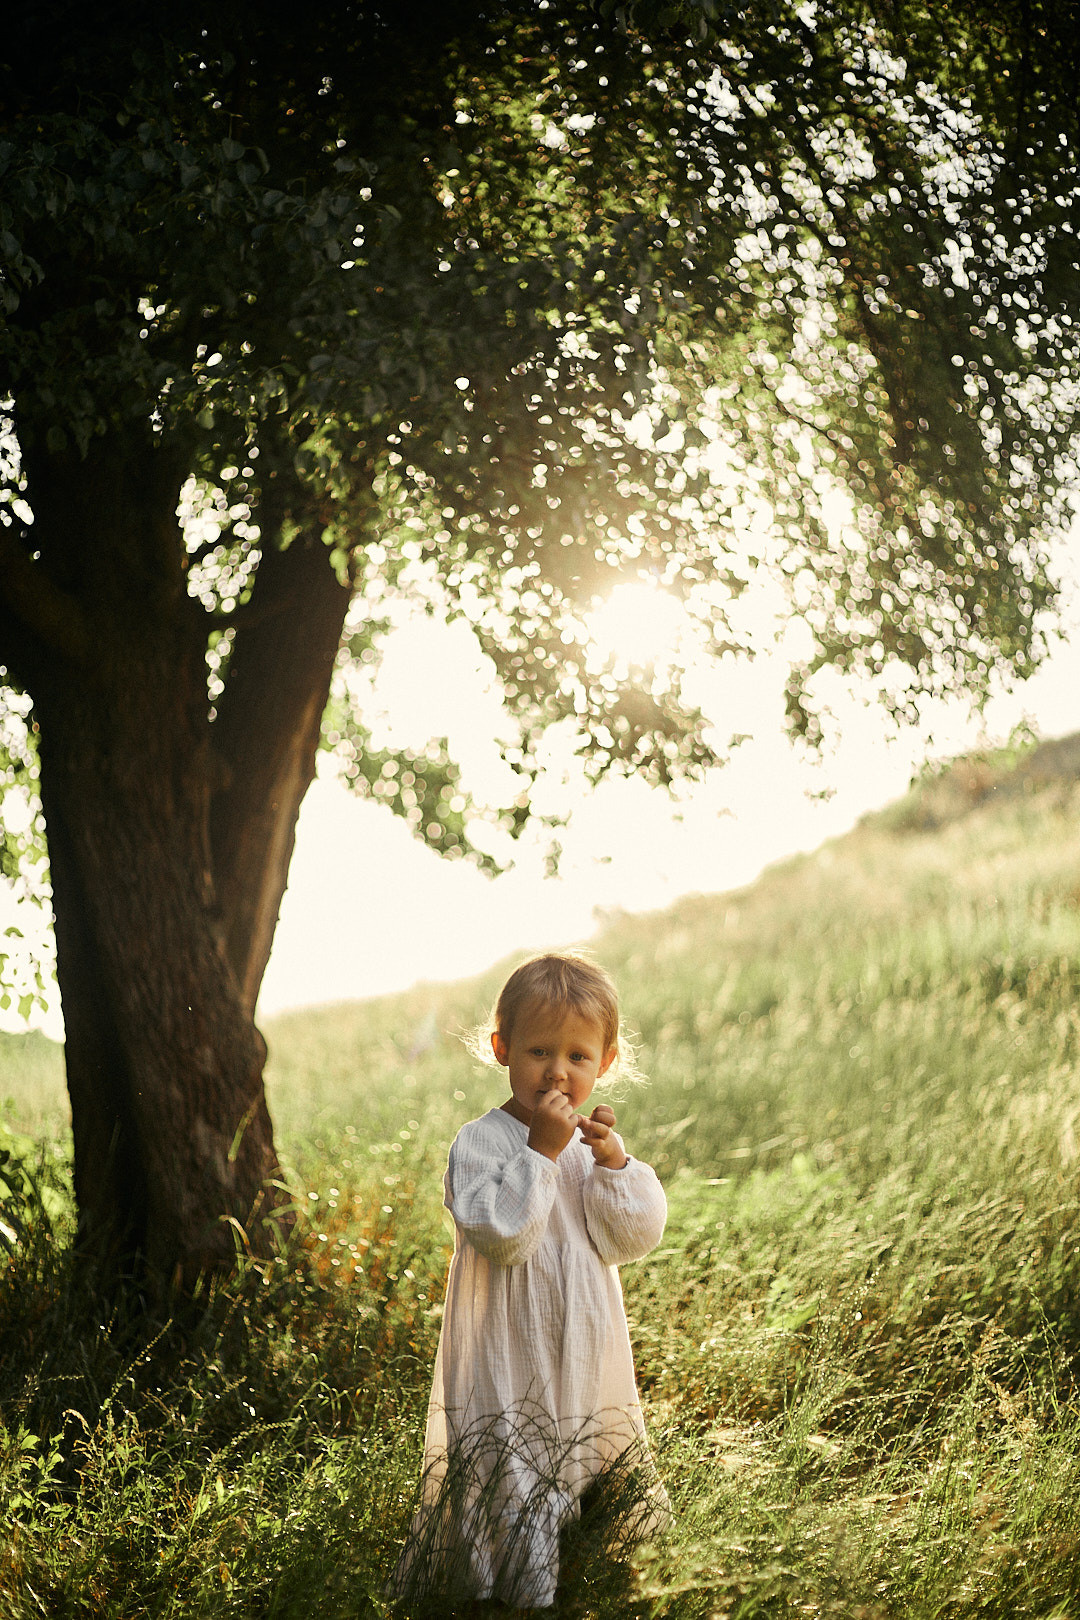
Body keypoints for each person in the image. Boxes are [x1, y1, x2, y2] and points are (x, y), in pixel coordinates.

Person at [392, 952, 669, 1612]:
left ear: (604, 1062)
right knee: (514, 1465)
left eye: (578, 1056)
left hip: (579, 1348)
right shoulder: (483, 1143)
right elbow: (503, 1235)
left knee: (585, 1459)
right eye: (540, 1051)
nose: (557, 1072)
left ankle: (594, 1575)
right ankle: (514, 1596)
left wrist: (612, 1163)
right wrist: (542, 1152)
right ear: (502, 1049)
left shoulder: (587, 1145)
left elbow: (632, 1237)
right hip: (508, 1356)